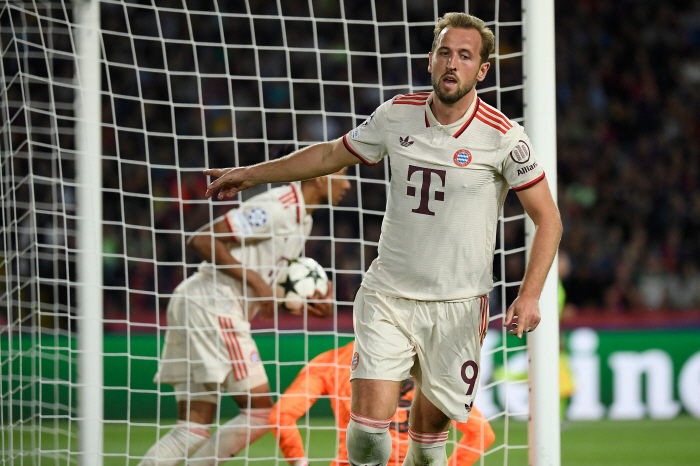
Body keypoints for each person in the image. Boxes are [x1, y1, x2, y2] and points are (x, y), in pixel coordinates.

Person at [205, 12, 562, 465]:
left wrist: (530, 296)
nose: (453, 64)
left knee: (428, 445)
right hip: (388, 296)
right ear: (430, 59)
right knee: (369, 434)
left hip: (458, 306)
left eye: (465, 56)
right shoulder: (396, 115)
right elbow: (330, 154)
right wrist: (250, 174)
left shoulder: (504, 137)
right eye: (445, 53)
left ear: (482, 69)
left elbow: (548, 218)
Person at [139, 170, 351, 466]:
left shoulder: (303, 220)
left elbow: (264, 282)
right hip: (214, 304)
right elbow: (203, 240)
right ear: (318, 176)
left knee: (192, 428)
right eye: (342, 174)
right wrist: (255, 281)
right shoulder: (277, 208)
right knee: (261, 414)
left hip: (202, 303)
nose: (347, 184)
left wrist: (303, 306)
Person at [270, 340, 495, 465]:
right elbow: (482, 433)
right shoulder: (425, 366)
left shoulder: (332, 362)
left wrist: (299, 463)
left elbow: (281, 415)